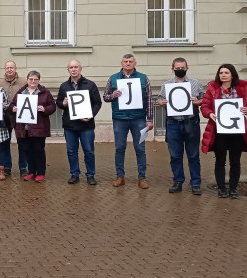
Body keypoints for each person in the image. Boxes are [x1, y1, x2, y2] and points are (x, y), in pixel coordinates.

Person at [103, 54, 154, 189]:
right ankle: (120, 177)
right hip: (119, 118)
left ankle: (142, 178)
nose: (128, 63)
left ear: (134, 63)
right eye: (125, 61)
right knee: (120, 148)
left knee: (140, 148)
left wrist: (149, 119)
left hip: (139, 119)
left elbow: (149, 99)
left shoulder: (143, 78)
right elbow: (105, 97)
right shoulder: (113, 78)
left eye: (130, 61)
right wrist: (113, 95)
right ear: (121, 63)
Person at [156, 58, 205, 195]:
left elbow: (204, 100)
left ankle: (195, 183)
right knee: (175, 155)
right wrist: (162, 102)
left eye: (182, 67)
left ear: (187, 67)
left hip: (191, 122)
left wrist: (198, 102)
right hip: (173, 123)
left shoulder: (195, 83)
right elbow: (159, 99)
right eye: (177, 67)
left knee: (193, 155)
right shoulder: (167, 85)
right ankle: (178, 181)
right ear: (172, 69)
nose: (180, 69)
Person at [200, 63, 247, 199]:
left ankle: (233, 189)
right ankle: (221, 188)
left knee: (235, 161)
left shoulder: (242, 87)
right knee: (220, 161)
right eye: (221, 73)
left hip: (237, 130)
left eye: (226, 72)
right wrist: (210, 114)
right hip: (219, 130)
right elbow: (205, 106)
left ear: (232, 74)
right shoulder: (213, 88)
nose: (223, 75)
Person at [55, 60, 102, 186]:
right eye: (71, 67)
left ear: (80, 68)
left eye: (76, 67)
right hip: (70, 125)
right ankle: (74, 174)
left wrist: (90, 115)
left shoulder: (90, 85)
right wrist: (63, 103)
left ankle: (90, 175)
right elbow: (58, 103)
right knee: (71, 151)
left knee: (89, 151)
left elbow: (98, 103)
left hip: (86, 125)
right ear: (68, 70)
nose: (73, 69)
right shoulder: (64, 86)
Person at [11, 71, 56, 182]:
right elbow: (12, 104)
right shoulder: (21, 92)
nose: (33, 81)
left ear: (38, 80)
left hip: (39, 127)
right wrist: (13, 108)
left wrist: (44, 109)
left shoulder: (44, 92)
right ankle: (31, 171)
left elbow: (53, 106)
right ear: (27, 80)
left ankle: (40, 172)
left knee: (38, 150)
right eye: (31, 79)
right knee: (27, 150)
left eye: (35, 79)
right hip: (24, 128)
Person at [0, 60, 27, 176]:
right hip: (5, 117)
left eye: (11, 68)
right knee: (5, 143)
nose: (9, 70)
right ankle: (7, 167)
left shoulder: (24, 82)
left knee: (22, 143)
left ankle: (23, 167)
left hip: (20, 117)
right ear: (5, 69)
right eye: (7, 68)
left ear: (15, 68)